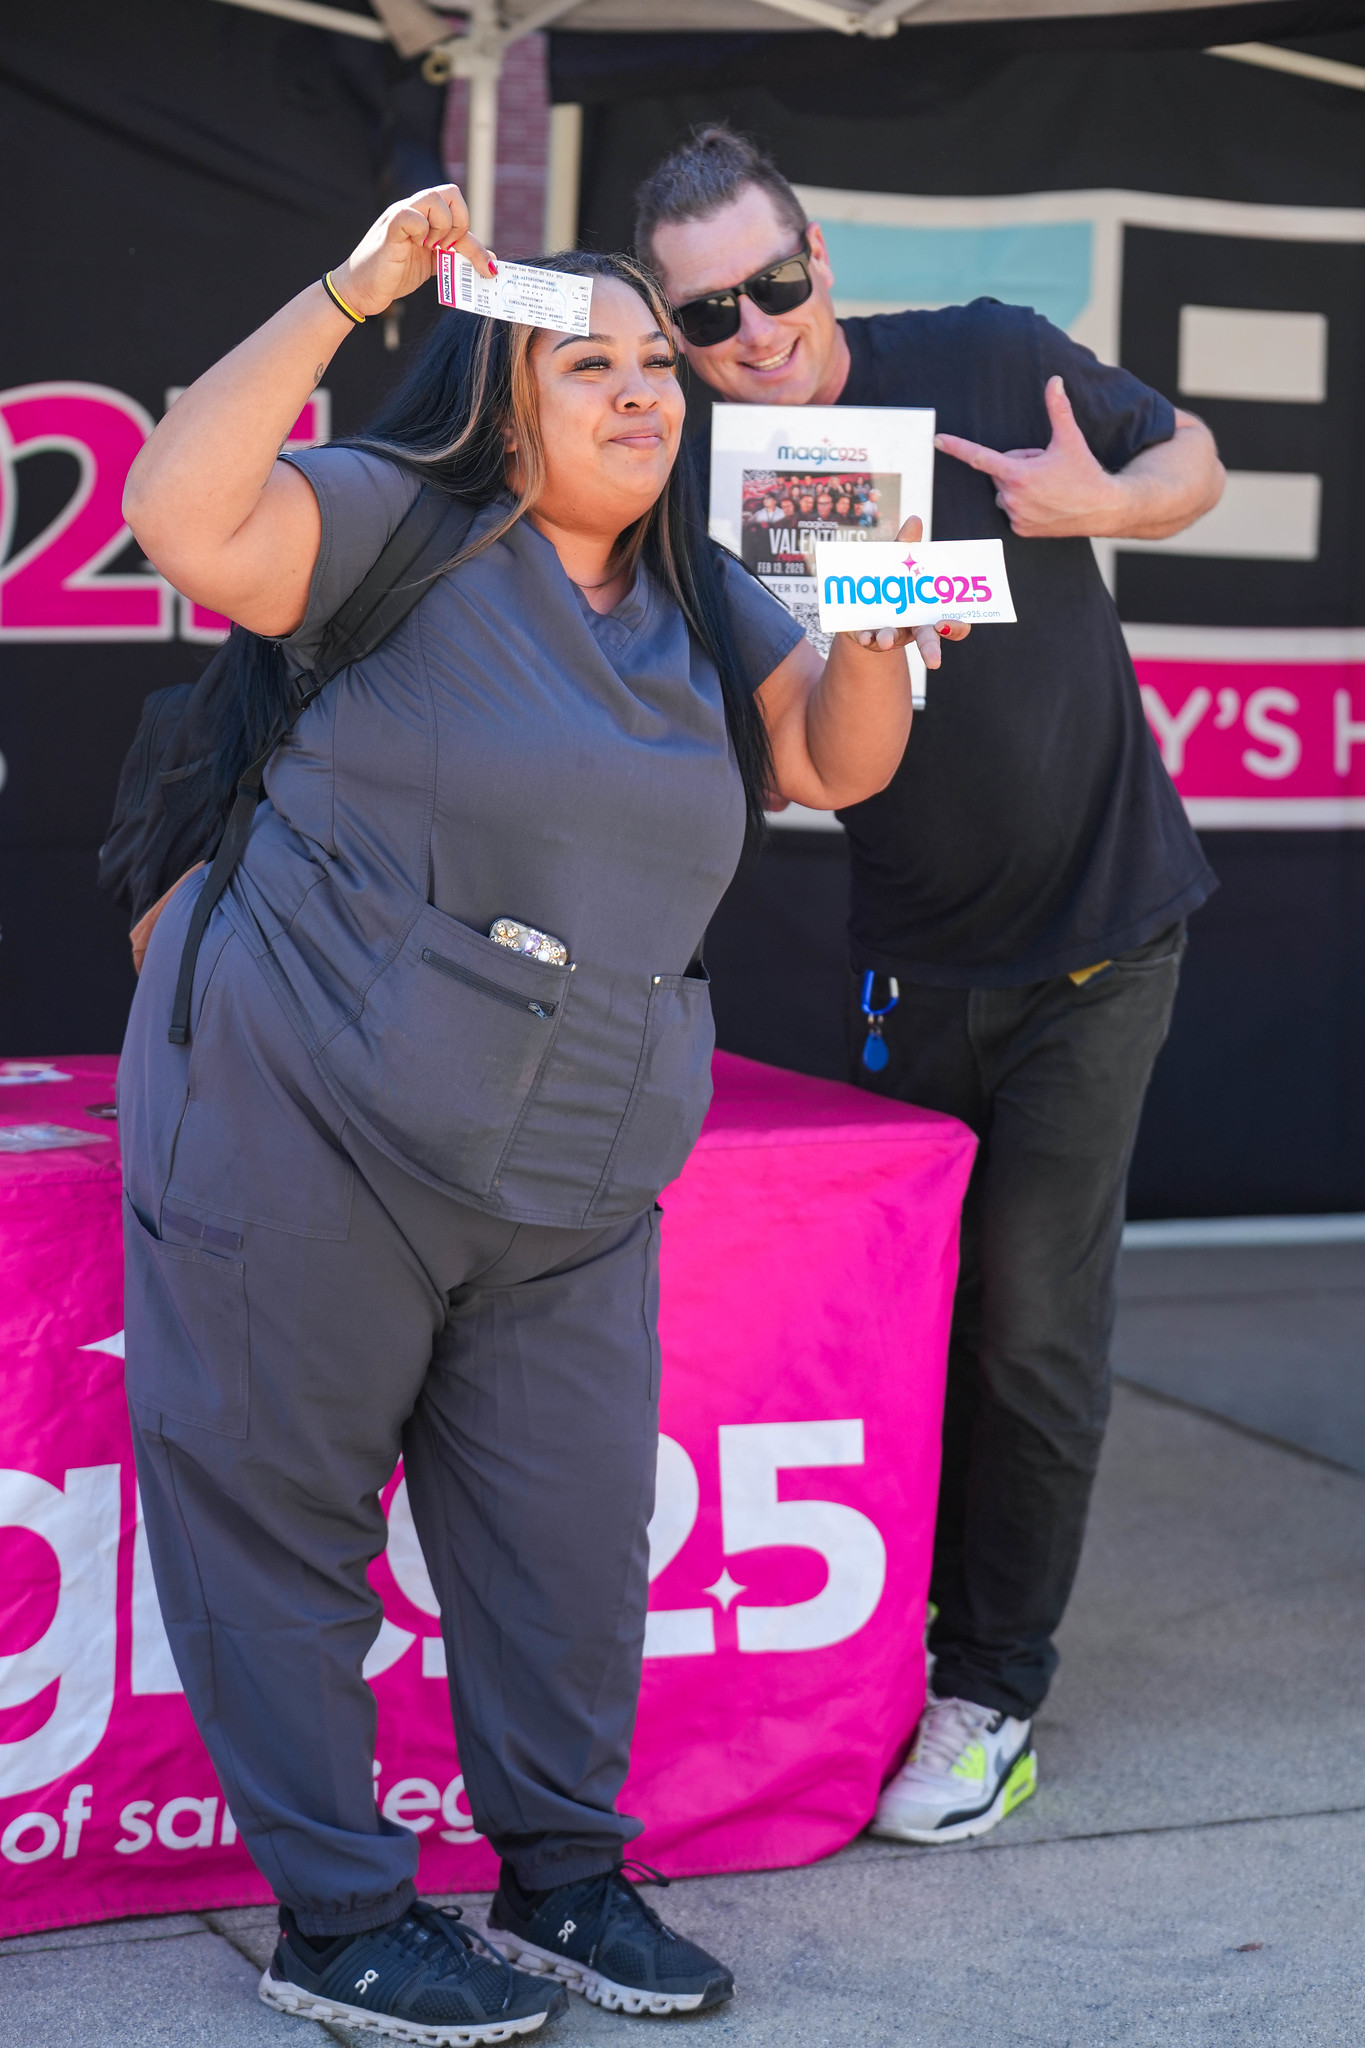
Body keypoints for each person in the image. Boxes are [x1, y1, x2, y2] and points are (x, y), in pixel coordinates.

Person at [118, 181, 965, 2043]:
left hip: (572, 1149)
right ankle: (339, 1920)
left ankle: (564, 1881)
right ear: (501, 401)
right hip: (305, 1113)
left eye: (655, 361)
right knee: (278, 1516)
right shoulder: (388, 524)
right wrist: (351, 288)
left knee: (570, 1536)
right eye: (588, 363)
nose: (642, 391)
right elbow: (178, 510)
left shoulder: (704, 584)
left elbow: (836, 760)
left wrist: (882, 609)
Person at [637, 126, 1224, 1847]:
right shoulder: (690, 470)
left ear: (818, 254)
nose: (753, 329)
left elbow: (1190, 454)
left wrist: (1104, 501)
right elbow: (804, 771)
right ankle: (880, 1649)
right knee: (902, 1325)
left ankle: (989, 1693)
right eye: (706, 314)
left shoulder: (976, 349)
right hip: (908, 958)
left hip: (1103, 937)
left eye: (774, 282)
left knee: (1032, 1328)